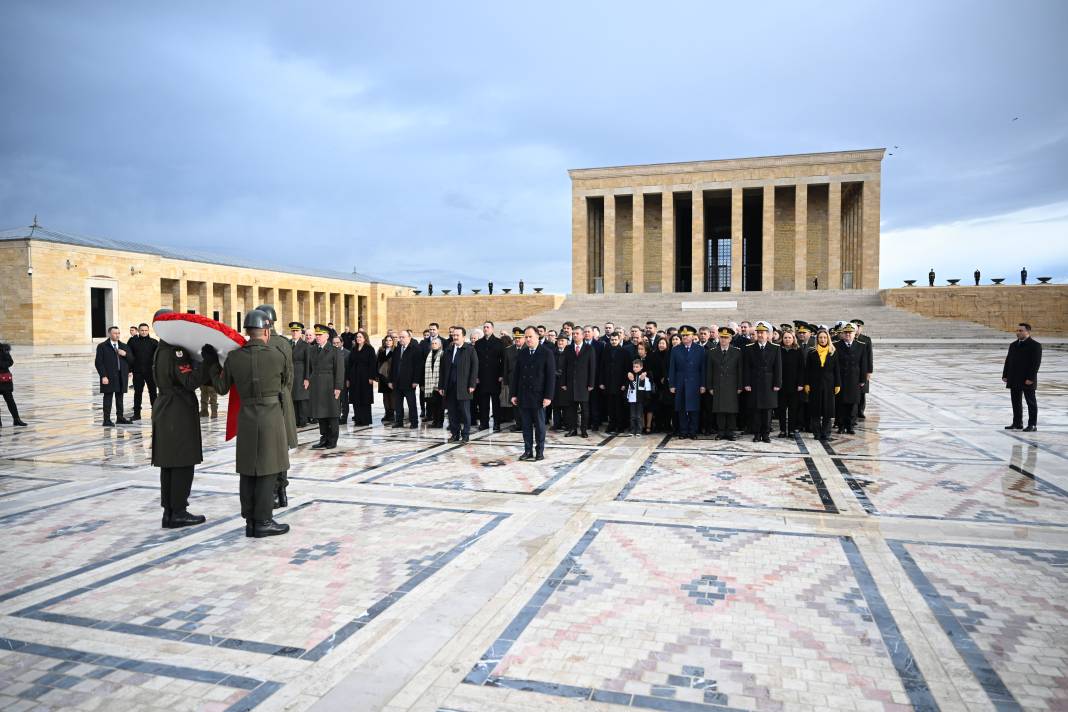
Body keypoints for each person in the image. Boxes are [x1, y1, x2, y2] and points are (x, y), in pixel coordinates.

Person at [203, 309, 290, 538]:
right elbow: (285, 382)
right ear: (265, 330)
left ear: (248, 332)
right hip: (271, 416)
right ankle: (263, 521)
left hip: (247, 417)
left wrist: (212, 363)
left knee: (248, 469)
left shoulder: (234, 358)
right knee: (268, 469)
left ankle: (250, 520)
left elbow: (221, 388)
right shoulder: (277, 355)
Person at [151, 310, 208, 529]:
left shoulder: (160, 350)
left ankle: (170, 511)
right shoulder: (176, 352)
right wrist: (206, 362)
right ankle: (179, 512)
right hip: (178, 410)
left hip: (164, 407)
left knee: (169, 464)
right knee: (183, 463)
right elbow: (189, 381)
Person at [258, 306, 296, 507]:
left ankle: (273, 491)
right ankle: (282, 491)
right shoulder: (284, 343)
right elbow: (290, 375)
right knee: (282, 449)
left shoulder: (258, 344)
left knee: (268, 451)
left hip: (267, 403)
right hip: (283, 399)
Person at [510, 326, 555, 460]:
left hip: (539, 396)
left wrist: (548, 396)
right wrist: (513, 394)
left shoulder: (546, 353)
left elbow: (550, 377)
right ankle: (527, 450)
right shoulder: (522, 353)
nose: (528, 339)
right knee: (526, 425)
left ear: (537, 337)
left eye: (530, 336)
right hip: (523, 396)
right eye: (526, 337)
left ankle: (539, 451)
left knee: (540, 426)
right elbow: (516, 376)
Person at [742, 321, 782, 443]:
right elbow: (747, 368)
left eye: (762, 333)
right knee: (756, 410)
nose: (760, 335)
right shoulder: (750, 348)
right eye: (758, 332)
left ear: (768, 334)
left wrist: (777, 383)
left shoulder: (775, 348)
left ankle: (766, 434)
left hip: (769, 383)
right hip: (755, 382)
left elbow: (778, 367)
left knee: (768, 410)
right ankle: (757, 434)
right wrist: (747, 383)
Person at [438, 326, 478, 443]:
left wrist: (472, 385)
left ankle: (465, 435)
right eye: (453, 335)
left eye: (457, 335)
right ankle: (455, 434)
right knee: (452, 413)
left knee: (465, 413)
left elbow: (474, 368)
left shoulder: (470, 349)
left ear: (463, 337)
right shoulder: (448, 350)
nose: (454, 337)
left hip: (464, 387)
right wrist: (441, 386)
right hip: (450, 387)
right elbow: (443, 369)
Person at [307, 324, 345, 448]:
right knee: (320, 414)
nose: (317, 337)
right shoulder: (313, 349)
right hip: (317, 386)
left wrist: (338, 387)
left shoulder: (335, 350)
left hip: (330, 385)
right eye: (316, 335)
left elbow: (339, 370)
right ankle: (324, 437)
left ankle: (332, 439)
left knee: (332, 413)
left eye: (320, 335)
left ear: (327, 336)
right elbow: (311, 368)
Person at [668, 325, 706, 439]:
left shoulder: (700, 349)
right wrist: (672, 385)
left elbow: (703, 369)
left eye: (687, 335)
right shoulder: (676, 349)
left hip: (695, 383)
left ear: (693, 336)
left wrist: (703, 385)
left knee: (694, 409)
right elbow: (672, 368)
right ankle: (683, 431)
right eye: (683, 335)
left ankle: (693, 431)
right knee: (681, 408)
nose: (684, 337)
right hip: (680, 382)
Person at [1003, 322, 1041, 432]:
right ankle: (1017, 423)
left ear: (1027, 332)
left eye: (1021, 331)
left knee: (1031, 402)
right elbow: (1008, 361)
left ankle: (1032, 424)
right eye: (1017, 330)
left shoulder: (1035, 345)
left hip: (1027, 379)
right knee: (1015, 401)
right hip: (1014, 377)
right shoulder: (1013, 345)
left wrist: (1031, 378)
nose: (1018, 332)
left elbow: (1036, 363)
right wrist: (1005, 375)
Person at [705, 326, 742, 440]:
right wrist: (710, 386)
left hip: (732, 384)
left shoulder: (737, 352)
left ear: (730, 339)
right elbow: (709, 371)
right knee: (719, 410)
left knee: (731, 410)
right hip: (718, 384)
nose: (724, 340)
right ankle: (721, 432)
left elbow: (740, 370)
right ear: (718, 337)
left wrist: (740, 385)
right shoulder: (712, 352)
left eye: (726, 337)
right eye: (721, 337)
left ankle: (730, 432)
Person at [804, 328, 840, 440]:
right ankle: (817, 433)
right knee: (815, 411)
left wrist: (837, 384)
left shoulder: (833, 352)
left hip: (829, 385)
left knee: (827, 411)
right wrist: (807, 383)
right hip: (815, 385)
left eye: (824, 337)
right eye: (820, 337)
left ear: (828, 338)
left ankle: (826, 433)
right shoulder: (812, 352)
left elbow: (837, 370)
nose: (822, 339)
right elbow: (807, 370)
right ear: (817, 339)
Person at [834, 323, 869, 434]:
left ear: (855, 334)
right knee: (840, 404)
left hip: (854, 379)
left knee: (853, 404)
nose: (848, 334)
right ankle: (841, 425)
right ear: (842, 334)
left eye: (850, 333)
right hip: (841, 378)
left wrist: (863, 380)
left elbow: (863, 363)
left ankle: (850, 426)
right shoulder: (836, 345)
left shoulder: (861, 345)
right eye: (846, 333)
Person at [95, 326, 133, 426]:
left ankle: (120, 418)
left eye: (118, 333)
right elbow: (99, 363)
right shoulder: (102, 346)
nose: (117, 335)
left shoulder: (124, 346)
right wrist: (103, 376)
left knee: (120, 398)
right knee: (108, 398)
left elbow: (132, 360)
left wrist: (125, 354)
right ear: (109, 334)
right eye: (115, 333)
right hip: (109, 377)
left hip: (121, 376)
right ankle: (106, 420)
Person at [563, 331, 596, 438]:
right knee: (571, 409)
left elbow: (592, 367)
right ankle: (572, 429)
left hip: (584, 384)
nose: (575, 335)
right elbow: (564, 367)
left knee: (585, 410)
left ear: (582, 335)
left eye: (577, 333)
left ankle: (584, 430)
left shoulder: (589, 348)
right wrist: (563, 382)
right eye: (573, 334)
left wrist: (591, 383)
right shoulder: (568, 348)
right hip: (570, 384)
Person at [474, 321, 505, 431]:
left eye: (487, 327)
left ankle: (497, 423)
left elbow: (503, 360)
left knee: (496, 403)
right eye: (484, 327)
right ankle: (484, 423)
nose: (485, 329)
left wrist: (501, 375)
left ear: (492, 329)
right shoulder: (478, 343)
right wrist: (476, 376)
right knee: (483, 403)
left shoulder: (499, 342)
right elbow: (475, 361)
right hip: (482, 377)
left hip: (495, 377)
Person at [598, 331, 629, 434]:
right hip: (608, 383)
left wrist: (625, 384)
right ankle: (611, 425)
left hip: (620, 384)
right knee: (610, 406)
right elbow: (602, 367)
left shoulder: (624, 352)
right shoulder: (606, 351)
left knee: (619, 406)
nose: (613, 341)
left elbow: (626, 369)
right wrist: (601, 382)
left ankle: (620, 426)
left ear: (619, 340)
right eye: (612, 340)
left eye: (615, 339)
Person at [390, 329, 421, 429]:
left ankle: (414, 422)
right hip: (397, 382)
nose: (401, 339)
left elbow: (418, 366)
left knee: (411, 404)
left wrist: (416, 380)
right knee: (398, 404)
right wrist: (391, 380)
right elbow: (393, 366)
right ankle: (399, 421)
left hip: (409, 382)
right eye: (400, 337)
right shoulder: (397, 349)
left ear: (409, 338)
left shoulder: (415, 349)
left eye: (403, 337)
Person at [128, 322, 158, 421]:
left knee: (153, 392)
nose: (144, 332)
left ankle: (155, 413)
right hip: (138, 372)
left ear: (148, 331)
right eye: (142, 330)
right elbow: (129, 356)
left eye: (146, 330)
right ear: (138, 331)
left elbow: (158, 358)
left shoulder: (154, 342)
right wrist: (129, 370)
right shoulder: (133, 342)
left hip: (150, 372)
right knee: (137, 393)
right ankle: (137, 414)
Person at [346, 330, 377, 426]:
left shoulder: (369, 349)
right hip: (354, 377)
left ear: (365, 338)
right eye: (357, 337)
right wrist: (348, 378)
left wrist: (371, 377)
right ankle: (358, 418)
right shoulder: (354, 349)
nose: (358, 338)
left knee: (364, 398)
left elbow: (373, 364)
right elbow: (349, 364)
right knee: (356, 398)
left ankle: (365, 419)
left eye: (360, 337)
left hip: (365, 377)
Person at [777, 330, 804, 437]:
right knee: (781, 409)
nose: (787, 340)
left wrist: (801, 384)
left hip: (794, 385)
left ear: (793, 339)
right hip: (781, 385)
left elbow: (802, 369)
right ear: (782, 339)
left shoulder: (798, 351)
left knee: (793, 409)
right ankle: (783, 430)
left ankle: (792, 430)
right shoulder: (778, 350)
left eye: (789, 338)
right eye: (785, 338)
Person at [0, 342, 27, 427]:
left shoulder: (3, 349)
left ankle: (17, 419)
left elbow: (10, 361)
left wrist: (1, 365)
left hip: (4, 380)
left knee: (10, 400)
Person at [289, 322, 311, 426]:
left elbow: (308, 363)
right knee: (292, 397)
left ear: (300, 333)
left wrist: (307, 378)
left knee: (301, 398)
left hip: (301, 373)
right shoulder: (288, 343)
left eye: (296, 331)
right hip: (290, 374)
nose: (294, 333)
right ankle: (295, 420)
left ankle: (302, 420)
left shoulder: (305, 345)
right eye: (293, 331)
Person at [851, 319, 873, 419]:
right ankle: (853, 411)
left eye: (858, 327)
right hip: (852, 370)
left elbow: (869, 356)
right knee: (853, 391)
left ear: (861, 328)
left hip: (863, 369)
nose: (857, 329)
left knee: (862, 391)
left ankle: (861, 410)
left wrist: (869, 371)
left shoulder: (866, 339)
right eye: (855, 326)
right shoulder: (849, 337)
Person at [422, 336, 445, 427]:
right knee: (432, 404)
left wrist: (441, 384)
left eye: (436, 343)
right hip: (430, 384)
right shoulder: (429, 355)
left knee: (440, 405)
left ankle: (439, 422)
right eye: (432, 343)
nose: (434, 345)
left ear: (440, 345)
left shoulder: (443, 354)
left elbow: (443, 370)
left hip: (438, 384)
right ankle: (435, 421)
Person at [625, 359, 651, 436]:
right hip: (632, 400)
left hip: (640, 400)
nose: (635, 368)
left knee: (639, 416)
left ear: (641, 367)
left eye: (637, 367)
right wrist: (627, 397)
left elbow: (647, 388)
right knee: (632, 416)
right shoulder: (631, 377)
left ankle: (639, 431)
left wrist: (647, 398)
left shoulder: (644, 378)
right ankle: (633, 430)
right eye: (634, 367)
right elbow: (630, 388)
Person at [332, 335, 351, 423]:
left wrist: (348, 379)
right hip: (333, 380)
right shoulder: (330, 352)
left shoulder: (347, 353)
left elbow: (348, 368)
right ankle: (336, 416)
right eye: (334, 343)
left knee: (344, 399)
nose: (336, 345)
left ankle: (344, 417)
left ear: (342, 343)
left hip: (343, 380)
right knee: (335, 399)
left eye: (338, 343)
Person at [377, 335, 395, 424]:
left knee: (392, 396)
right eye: (387, 340)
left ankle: (392, 414)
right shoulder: (381, 351)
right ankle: (387, 413)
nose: (388, 342)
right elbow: (378, 363)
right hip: (382, 377)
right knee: (385, 397)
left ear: (393, 341)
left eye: (390, 340)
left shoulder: (395, 351)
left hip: (391, 376)